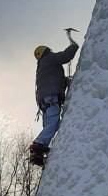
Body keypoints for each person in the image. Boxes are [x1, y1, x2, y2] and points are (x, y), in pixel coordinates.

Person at [29, 30, 79, 166]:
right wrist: (73, 46)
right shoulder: (49, 59)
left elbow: (53, 80)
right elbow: (65, 57)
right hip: (51, 99)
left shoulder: (42, 67)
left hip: (44, 102)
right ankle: (38, 145)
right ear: (46, 51)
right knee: (53, 124)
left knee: (49, 126)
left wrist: (66, 81)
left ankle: (41, 150)